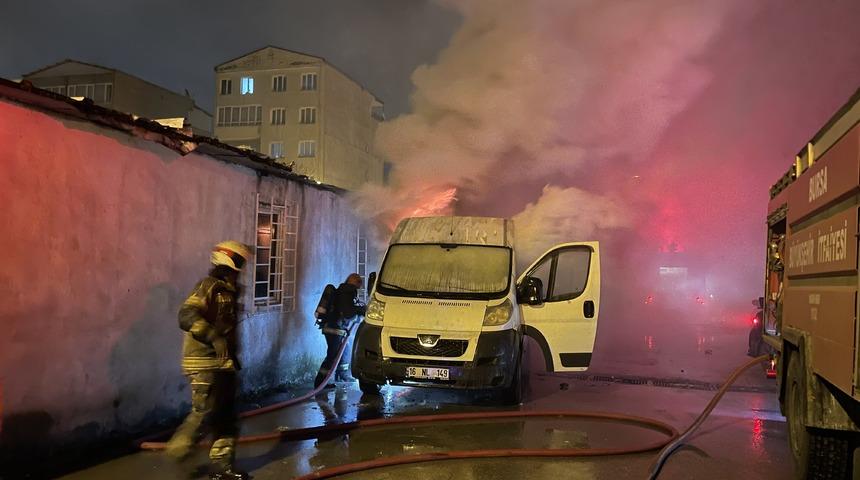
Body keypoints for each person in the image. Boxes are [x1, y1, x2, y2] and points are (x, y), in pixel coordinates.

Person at [165, 241, 252, 480]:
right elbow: (186, 315)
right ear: (229, 260)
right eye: (240, 262)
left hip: (224, 364)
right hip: (203, 363)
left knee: (226, 416)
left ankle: (223, 467)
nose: (243, 268)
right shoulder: (208, 286)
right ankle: (179, 448)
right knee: (205, 413)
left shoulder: (230, 290)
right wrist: (213, 336)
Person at [313, 273, 367, 388]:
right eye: (359, 285)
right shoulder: (347, 293)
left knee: (344, 352)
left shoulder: (343, 291)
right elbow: (348, 313)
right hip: (335, 329)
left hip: (335, 328)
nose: (360, 288)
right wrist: (361, 310)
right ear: (356, 283)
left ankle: (341, 375)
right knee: (332, 355)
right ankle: (320, 383)